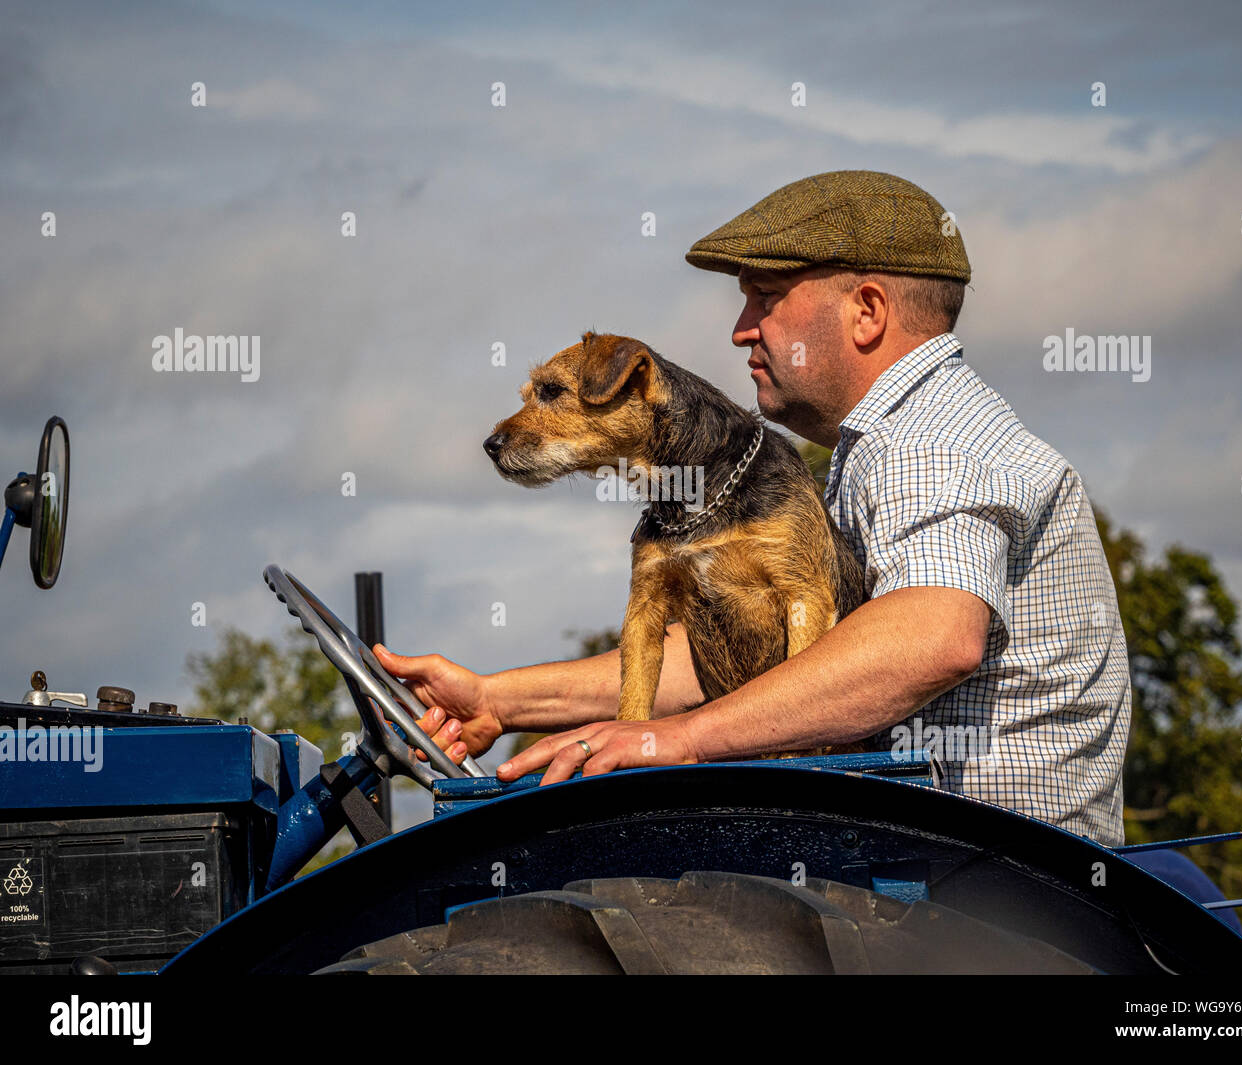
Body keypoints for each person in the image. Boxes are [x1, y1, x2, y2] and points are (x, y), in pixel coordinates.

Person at [375, 170, 1132, 846]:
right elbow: (739, 662)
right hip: (947, 863)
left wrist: (682, 741)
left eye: (765, 299)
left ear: (867, 311)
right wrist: (500, 699)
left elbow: (931, 639)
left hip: (991, 880)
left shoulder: (929, 442)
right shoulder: (877, 448)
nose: (741, 329)